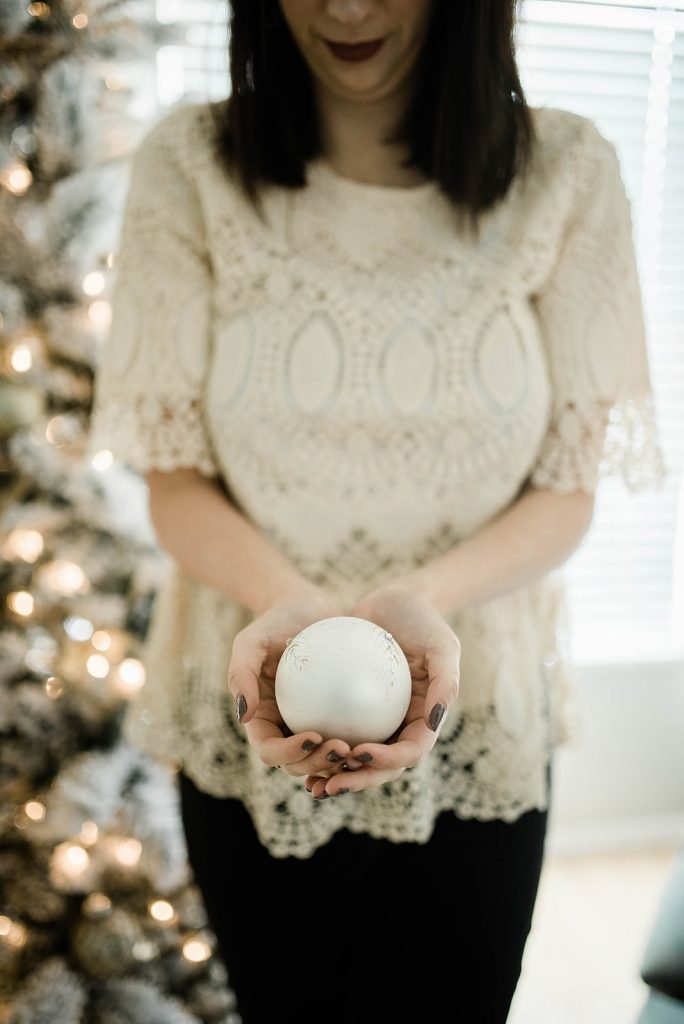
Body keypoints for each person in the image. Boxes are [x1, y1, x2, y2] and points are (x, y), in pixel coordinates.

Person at [86, 0, 666, 1020]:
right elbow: (174, 483)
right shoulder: (192, 163)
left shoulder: (568, 171)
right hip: (251, 690)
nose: (346, 7)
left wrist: (418, 603)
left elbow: (566, 489)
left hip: (477, 696)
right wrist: (298, 615)